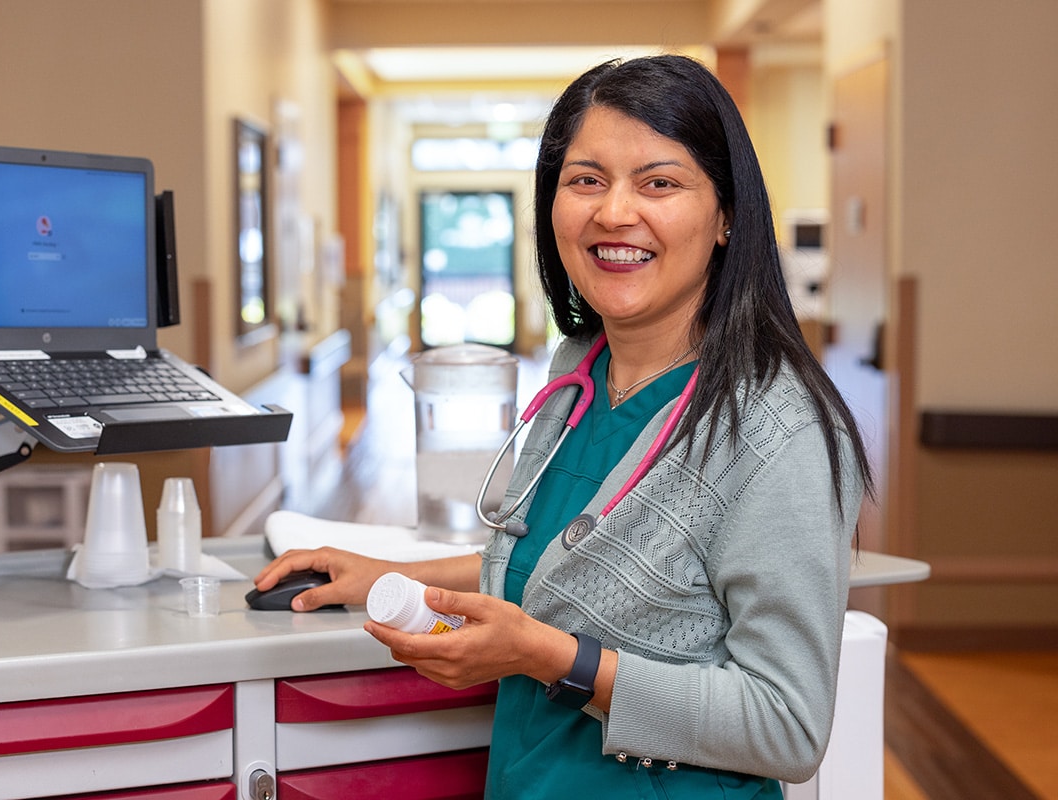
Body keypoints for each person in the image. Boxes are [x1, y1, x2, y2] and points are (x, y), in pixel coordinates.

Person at [254, 54, 872, 798]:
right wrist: (388, 576)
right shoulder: (578, 372)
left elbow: (787, 724)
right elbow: (549, 563)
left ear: (728, 215)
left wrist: (553, 658)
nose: (613, 212)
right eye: (585, 180)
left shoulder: (777, 428)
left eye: (660, 182)